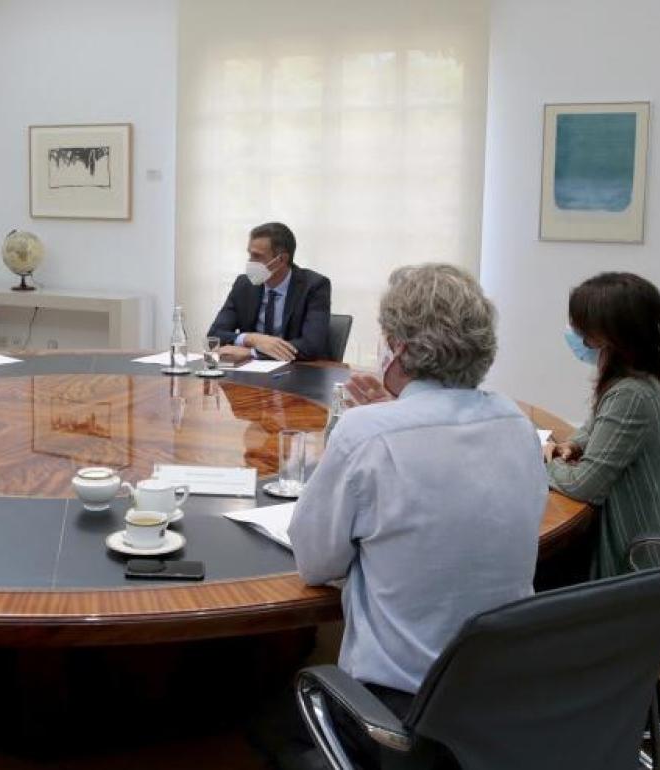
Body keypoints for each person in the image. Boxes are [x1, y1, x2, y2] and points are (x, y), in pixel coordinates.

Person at [276, 264, 546, 767]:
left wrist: (382, 421)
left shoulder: (365, 434)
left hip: (399, 717)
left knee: (265, 723)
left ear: (398, 348)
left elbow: (315, 563)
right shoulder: (516, 423)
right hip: (503, 700)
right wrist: (394, 411)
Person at [543, 272, 660, 578]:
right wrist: (573, 444)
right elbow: (596, 425)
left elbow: (583, 485)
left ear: (608, 336)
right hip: (651, 548)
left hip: (642, 564)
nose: (575, 333)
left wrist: (543, 461)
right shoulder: (644, 379)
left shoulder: (630, 395)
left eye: (581, 327)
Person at [207, 222, 331, 363]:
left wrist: (252, 352)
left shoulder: (314, 285)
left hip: (299, 370)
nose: (250, 262)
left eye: (257, 256)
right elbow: (214, 335)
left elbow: (312, 346)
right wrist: (251, 338)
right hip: (250, 371)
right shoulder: (244, 284)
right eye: (250, 255)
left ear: (282, 259)